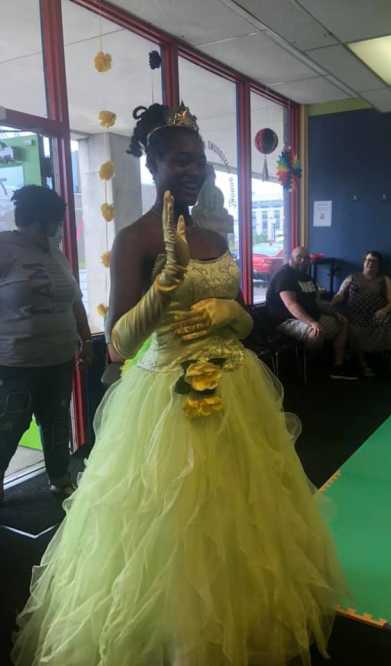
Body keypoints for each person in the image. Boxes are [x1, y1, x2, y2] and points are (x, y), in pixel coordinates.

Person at [12, 104, 344, 666]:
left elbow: (243, 318)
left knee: (243, 511)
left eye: (198, 161)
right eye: (180, 160)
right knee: (175, 524)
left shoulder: (214, 233)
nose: (193, 170)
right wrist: (161, 288)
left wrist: (224, 314)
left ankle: (242, 614)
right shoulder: (134, 240)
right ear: (155, 165)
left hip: (235, 389)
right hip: (166, 395)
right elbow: (116, 343)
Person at [0, 185, 92, 503]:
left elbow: (74, 299)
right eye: (56, 222)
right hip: (16, 363)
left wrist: (84, 336)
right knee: (9, 426)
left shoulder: (56, 254)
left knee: (56, 424)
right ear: (40, 221)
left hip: (59, 359)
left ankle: (60, 478)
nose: (59, 230)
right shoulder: (4, 248)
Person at [266, 246, 356, 380]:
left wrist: (335, 314)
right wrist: (313, 323)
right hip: (286, 320)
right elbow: (292, 305)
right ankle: (309, 365)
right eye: (299, 257)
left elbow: (317, 303)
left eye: (306, 258)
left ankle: (338, 367)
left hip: (309, 317)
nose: (303, 260)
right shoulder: (284, 276)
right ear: (291, 259)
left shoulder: (307, 278)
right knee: (316, 334)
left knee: (343, 323)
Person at [332, 250, 391, 377]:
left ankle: (386, 364)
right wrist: (331, 304)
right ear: (364, 262)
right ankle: (362, 365)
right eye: (368, 260)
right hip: (353, 315)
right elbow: (340, 294)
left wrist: (384, 310)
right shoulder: (352, 277)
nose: (370, 263)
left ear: (379, 265)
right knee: (353, 329)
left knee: (389, 322)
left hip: (375, 315)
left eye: (374, 261)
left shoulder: (385, 280)